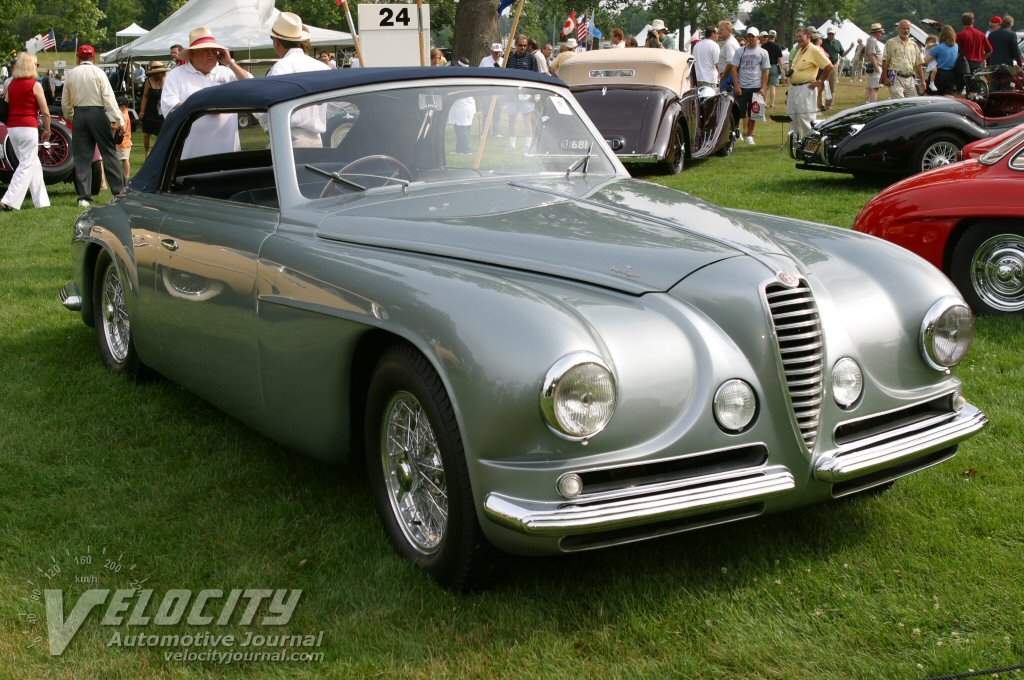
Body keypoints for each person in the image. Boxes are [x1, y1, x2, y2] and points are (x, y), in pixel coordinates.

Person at [161, 27, 253, 160]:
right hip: (191, 157)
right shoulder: (176, 75)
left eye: (214, 50)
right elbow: (169, 107)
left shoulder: (227, 72)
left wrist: (230, 62)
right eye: (205, 50)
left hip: (228, 155)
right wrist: (206, 107)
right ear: (192, 54)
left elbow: (252, 87)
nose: (211, 54)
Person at [61, 44, 125, 208]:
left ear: (78, 58)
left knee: (82, 157)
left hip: (80, 115)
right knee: (109, 152)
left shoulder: (71, 74)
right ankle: (119, 192)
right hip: (97, 113)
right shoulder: (99, 72)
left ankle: (84, 196)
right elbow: (109, 99)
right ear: (93, 57)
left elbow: (65, 101)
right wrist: (120, 120)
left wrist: (70, 117)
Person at [263, 12, 330, 148]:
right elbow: (334, 105)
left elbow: (269, 105)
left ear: (277, 42)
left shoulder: (281, 67)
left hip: (289, 140)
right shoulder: (322, 67)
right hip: (316, 140)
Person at [1, 52, 51, 211]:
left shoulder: (12, 85)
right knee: (26, 164)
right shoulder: (35, 85)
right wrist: (47, 129)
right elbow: (45, 111)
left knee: (32, 163)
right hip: (28, 126)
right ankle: (9, 200)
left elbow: (6, 106)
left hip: (13, 128)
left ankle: (42, 202)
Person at [787, 28, 832, 142]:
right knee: (792, 116)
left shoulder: (814, 50)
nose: (798, 39)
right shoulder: (799, 50)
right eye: (797, 37)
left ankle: (811, 142)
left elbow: (829, 67)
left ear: (808, 36)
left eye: (801, 36)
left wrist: (820, 81)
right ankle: (797, 141)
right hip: (794, 88)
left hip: (806, 88)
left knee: (805, 117)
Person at [728, 27, 770, 145]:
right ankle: (737, 132)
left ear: (758, 38)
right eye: (749, 36)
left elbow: (766, 70)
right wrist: (736, 85)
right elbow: (734, 68)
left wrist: (763, 87)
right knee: (738, 112)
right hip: (742, 86)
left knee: (754, 113)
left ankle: (750, 135)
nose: (750, 38)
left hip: (756, 86)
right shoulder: (740, 51)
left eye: (753, 36)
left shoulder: (763, 52)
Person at [505, 35, 537, 150]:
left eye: (525, 45)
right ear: (515, 45)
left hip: (526, 93)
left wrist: (533, 94)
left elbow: (535, 76)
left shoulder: (531, 58)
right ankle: (512, 145)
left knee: (527, 119)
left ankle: (528, 145)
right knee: (512, 120)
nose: (523, 47)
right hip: (512, 93)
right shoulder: (510, 58)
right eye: (520, 45)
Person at [882, 20, 925, 99]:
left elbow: (918, 64)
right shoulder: (891, 42)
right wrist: (885, 77)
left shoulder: (913, 44)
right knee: (899, 103)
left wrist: (923, 80)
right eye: (903, 28)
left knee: (912, 104)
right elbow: (885, 61)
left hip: (910, 79)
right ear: (898, 29)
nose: (906, 31)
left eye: (908, 29)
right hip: (895, 77)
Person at [138, 61, 167, 156]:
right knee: (147, 135)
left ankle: (160, 154)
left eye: (160, 72)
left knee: (162, 135)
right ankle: (147, 153)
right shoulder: (148, 81)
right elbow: (145, 97)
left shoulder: (167, 80)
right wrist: (142, 112)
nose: (158, 74)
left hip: (163, 112)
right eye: (156, 72)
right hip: (150, 111)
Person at [988, 15, 1023, 91]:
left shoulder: (991, 35)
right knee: (1006, 88)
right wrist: (1019, 64)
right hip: (1007, 67)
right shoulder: (1012, 34)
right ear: (1011, 24)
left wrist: (988, 65)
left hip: (993, 66)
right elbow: (1015, 51)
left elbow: (989, 51)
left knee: (994, 88)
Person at [926, 25, 960, 96]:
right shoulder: (956, 46)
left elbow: (926, 61)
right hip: (951, 75)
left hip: (938, 74)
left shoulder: (938, 47)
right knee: (949, 97)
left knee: (933, 97)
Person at [821, 28, 844, 109]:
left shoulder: (838, 42)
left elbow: (842, 54)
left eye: (832, 34)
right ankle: (822, 104)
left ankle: (829, 104)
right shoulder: (823, 42)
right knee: (823, 84)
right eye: (829, 34)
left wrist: (851, 48)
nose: (830, 35)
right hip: (825, 65)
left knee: (832, 85)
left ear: (835, 34)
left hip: (834, 65)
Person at [760, 29, 784, 108]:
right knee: (772, 87)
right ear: (775, 36)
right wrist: (782, 69)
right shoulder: (777, 46)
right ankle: (772, 104)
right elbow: (780, 59)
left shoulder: (764, 46)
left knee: (765, 86)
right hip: (774, 66)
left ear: (768, 36)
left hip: (765, 67)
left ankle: (764, 103)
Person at [717, 20, 740, 91]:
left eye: (722, 29)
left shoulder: (729, 44)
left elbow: (731, 62)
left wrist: (724, 76)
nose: (719, 31)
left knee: (726, 100)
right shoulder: (730, 42)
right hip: (730, 76)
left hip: (729, 77)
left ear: (729, 30)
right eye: (719, 29)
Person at [865, 23, 885, 102]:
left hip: (873, 67)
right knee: (875, 88)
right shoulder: (872, 40)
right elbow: (871, 54)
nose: (881, 34)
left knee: (870, 87)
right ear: (877, 32)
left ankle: (868, 103)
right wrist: (877, 67)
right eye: (880, 33)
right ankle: (873, 106)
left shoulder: (871, 40)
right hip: (875, 67)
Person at [116, 100, 132, 179]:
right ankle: (125, 175)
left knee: (125, 159)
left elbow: (121, 128)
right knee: (124, 159)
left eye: (118, 107)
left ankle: (127, 175)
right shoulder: (126, 114)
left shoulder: (124, 116)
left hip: (123, 142)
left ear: (123, 107)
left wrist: (113, 126)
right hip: (125, 141)